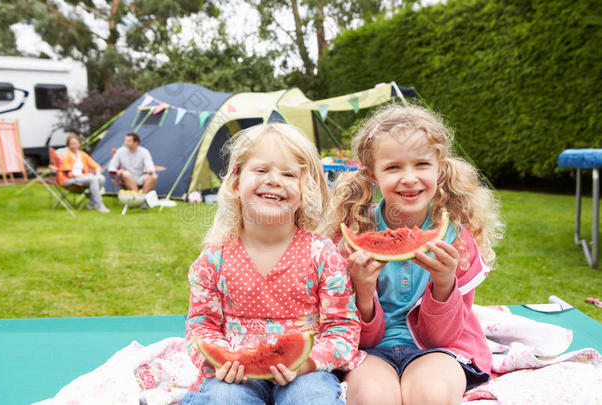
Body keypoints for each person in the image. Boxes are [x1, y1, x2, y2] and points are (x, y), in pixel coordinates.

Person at [323, 104, 504, 405]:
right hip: (369, 350)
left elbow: (442, 338)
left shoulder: (456, 238)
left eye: (421, 164)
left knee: (429, 395)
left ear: (440, 169)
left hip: (441, 350)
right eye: (393, 167)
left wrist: (444, 283)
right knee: (372, 398)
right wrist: (363, 293)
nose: (409, 178)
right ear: (373, 176)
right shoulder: (352, 236)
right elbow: (356, 335)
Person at [183, 123, 366, 405]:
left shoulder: (322, 254)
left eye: (289, 174)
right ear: (235, 182)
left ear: (305, 191)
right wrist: (219, 363)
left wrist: (310, 362)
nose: (274, 180)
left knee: (313, 399)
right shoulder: (214, 258)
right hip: (234, 373)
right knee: (222, 399)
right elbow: (201, 326)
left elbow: (342, 327)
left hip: (306, 371)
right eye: (261, 170)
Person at [58, 134, 110, 213]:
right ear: (68, 145)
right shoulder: (66, 156)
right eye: (71, 144)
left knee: (101, 178)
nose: (74, 146)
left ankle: (92, 203)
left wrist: (98, 173)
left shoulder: (82, 154)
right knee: (93, 179)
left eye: (76, 143)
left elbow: (96, 165)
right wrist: (85, 175)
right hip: (68, 180)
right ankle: (99, 205)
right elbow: (70, 174)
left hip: (83, 178)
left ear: (79, 144)